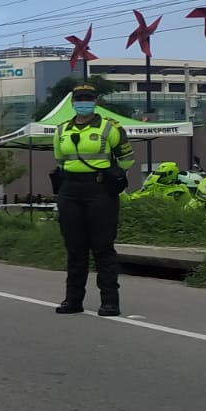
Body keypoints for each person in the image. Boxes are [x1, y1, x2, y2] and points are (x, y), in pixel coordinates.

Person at [51, 82, 135, 316]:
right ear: (72, 102)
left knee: (102, 247)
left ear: (96, 101)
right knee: (75, 248)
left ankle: (110, 301)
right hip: (70, 190)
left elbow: (127, 159)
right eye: (79, 99)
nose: (83, 103)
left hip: (99, 190)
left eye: (87, 98)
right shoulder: (61, 130)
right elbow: (60, 158)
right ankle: (73, 300)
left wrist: (110, 172)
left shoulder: (111, 128)